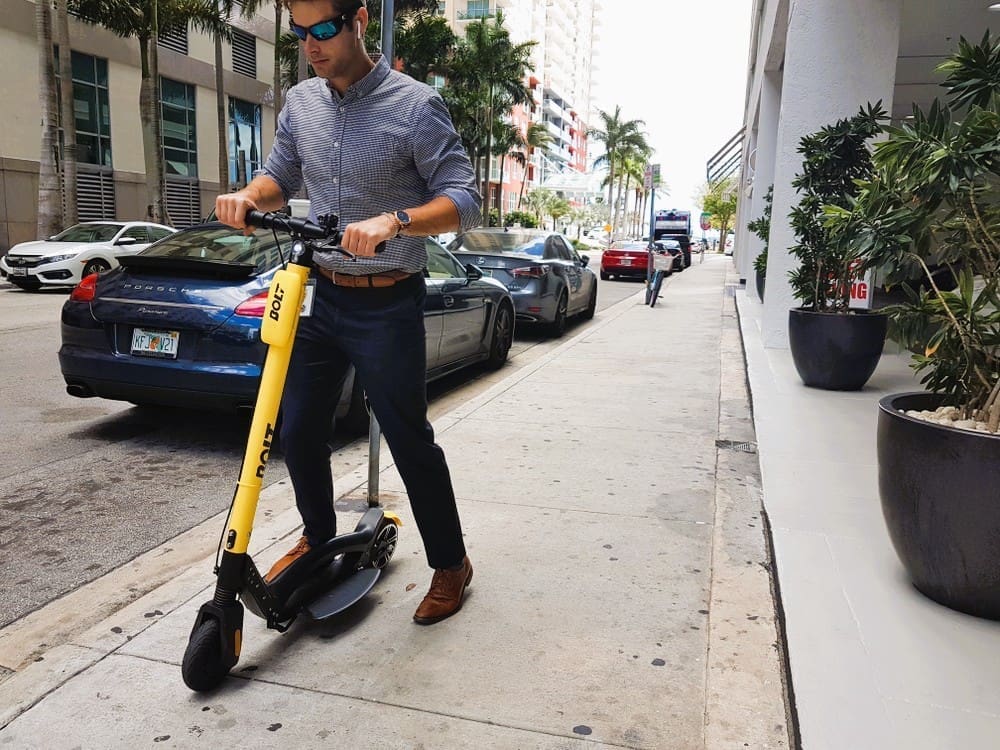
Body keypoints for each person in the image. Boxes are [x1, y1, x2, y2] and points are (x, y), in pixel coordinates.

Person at [215, 0, 481, 625]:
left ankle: (451, 563)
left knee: (409, 438)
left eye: (324, 30)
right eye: (300, 32)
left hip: (388, 301)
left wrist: (396, 220)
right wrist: (247, 195)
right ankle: (318, 537)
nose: (311, 45)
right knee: (300, 428)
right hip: (320, 294)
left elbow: (464, 198)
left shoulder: (415, 104)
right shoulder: (302, 101)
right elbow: (281, 172)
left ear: (359, 20)